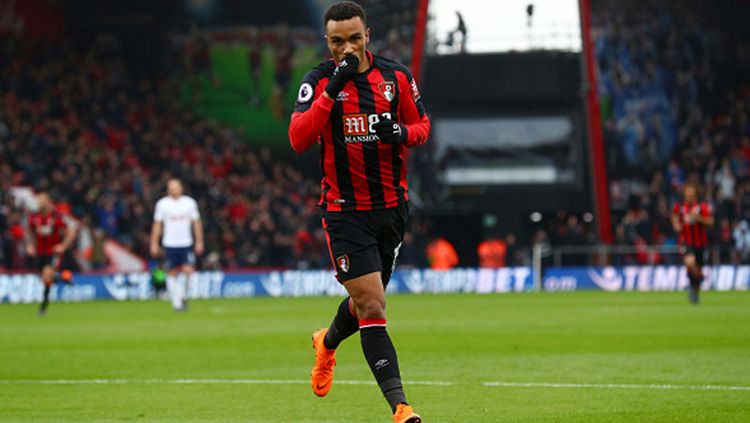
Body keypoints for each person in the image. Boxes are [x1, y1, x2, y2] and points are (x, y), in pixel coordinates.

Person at [288, 2, 430, 421]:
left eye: (353, 38)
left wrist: (401, 132)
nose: (346, 48)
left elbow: (422, 126)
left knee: (367, 301)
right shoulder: (317, 81)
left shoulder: (396, 77)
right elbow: (298, 138)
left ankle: (326, 342)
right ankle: (400, 406)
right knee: (373, 306)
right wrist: (333, 88)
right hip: (345, 211)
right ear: (327, 42)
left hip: (391, 208)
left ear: (367, 34)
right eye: (337, 41)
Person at [150, 178, 204, 311]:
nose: (174, 190)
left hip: (186, 243)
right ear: (168, 189)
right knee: (172, 272)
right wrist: (154, 243)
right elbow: (157, 224)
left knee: (188, 271)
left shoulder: (189, 203)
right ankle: (177, 302)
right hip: (170, 243)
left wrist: (199, 241)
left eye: (176, 187)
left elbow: (196, 223)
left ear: (181, 188)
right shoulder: (162, 204)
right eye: (171, 187)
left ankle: (182, 296)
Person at [25, 192, 77, 316]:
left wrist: (63, 246)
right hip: (40, 252)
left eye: (41, 200)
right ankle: (63, 277)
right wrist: (30, 244)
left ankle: (43, 308)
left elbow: (72, 231)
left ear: (48, 201)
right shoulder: (34, 217)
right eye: (38, 200)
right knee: (44, 279)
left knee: (47, 275)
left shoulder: (57, 216)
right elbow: (29, 231)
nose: (38, 202)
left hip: (53, 252)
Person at [671, 183, 714, 304]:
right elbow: (674, 217)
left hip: (700, 243)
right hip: (686, 242)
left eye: (691, 192)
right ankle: (693, 287)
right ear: (684, 193)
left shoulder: (702, 206)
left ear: (695, 194)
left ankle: (694, 291)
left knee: (698, 271)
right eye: (687, 192)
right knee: (690, 262)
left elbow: (711, 222)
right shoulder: (679, 207)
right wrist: (676, 225)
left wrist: (698, 218)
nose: (689, 195)